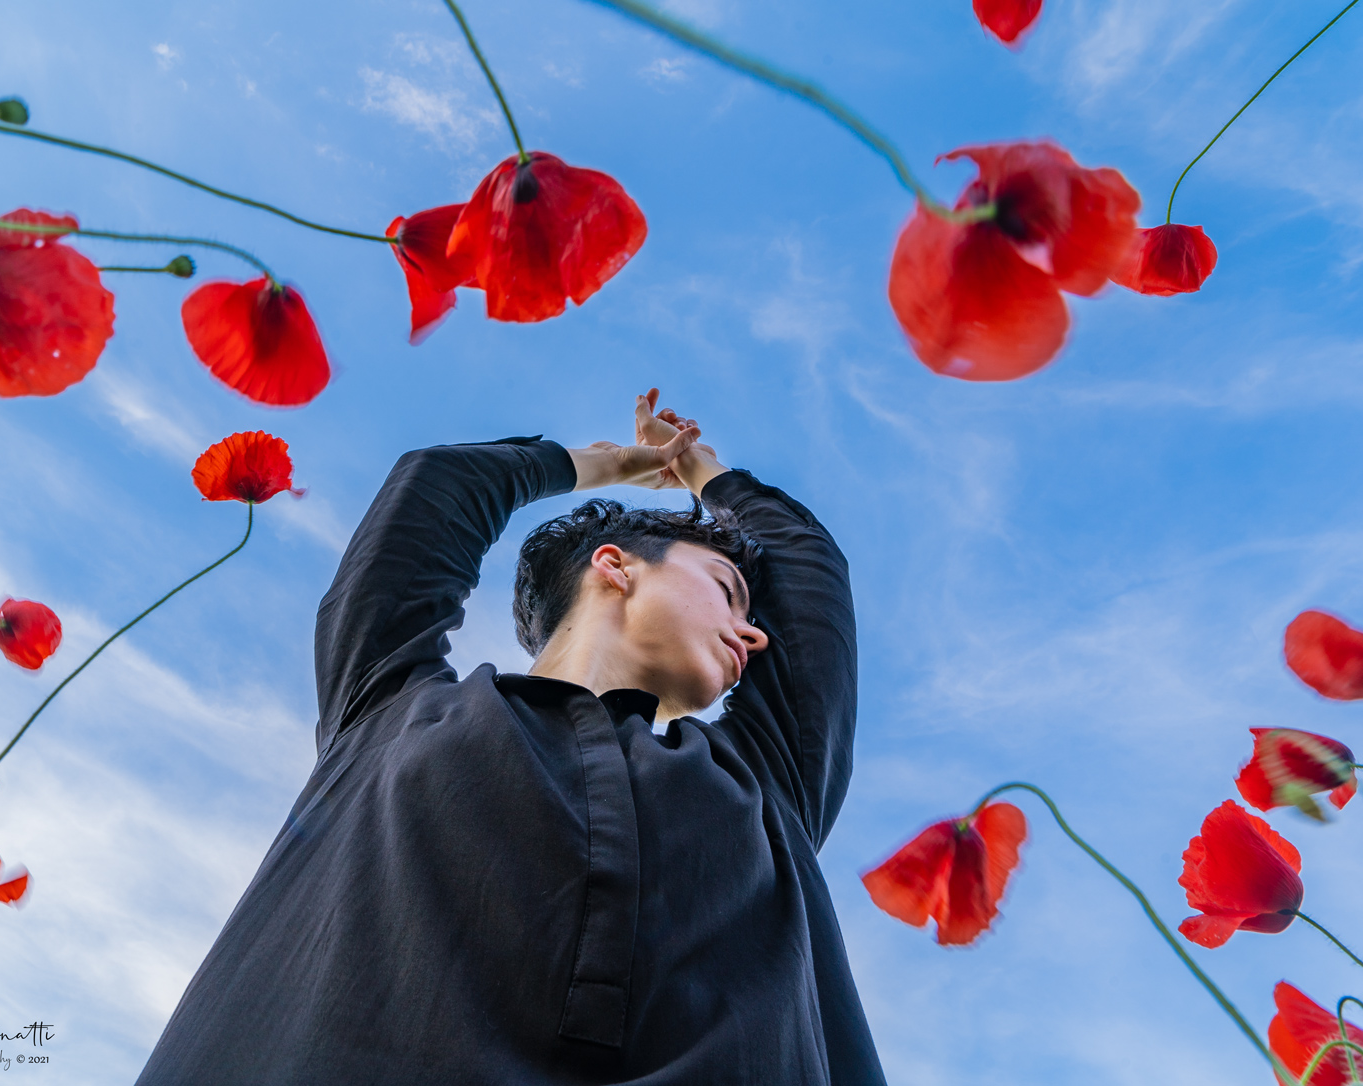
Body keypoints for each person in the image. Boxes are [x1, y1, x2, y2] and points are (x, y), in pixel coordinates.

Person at [135, 389, 884, 1085]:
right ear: (614, 567)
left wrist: (702, 471)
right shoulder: (388, 709)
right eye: (727, 590)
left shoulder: (764, 788)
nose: (754, 634)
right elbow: (437, 488)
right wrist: (617, 465)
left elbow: (808, 567)